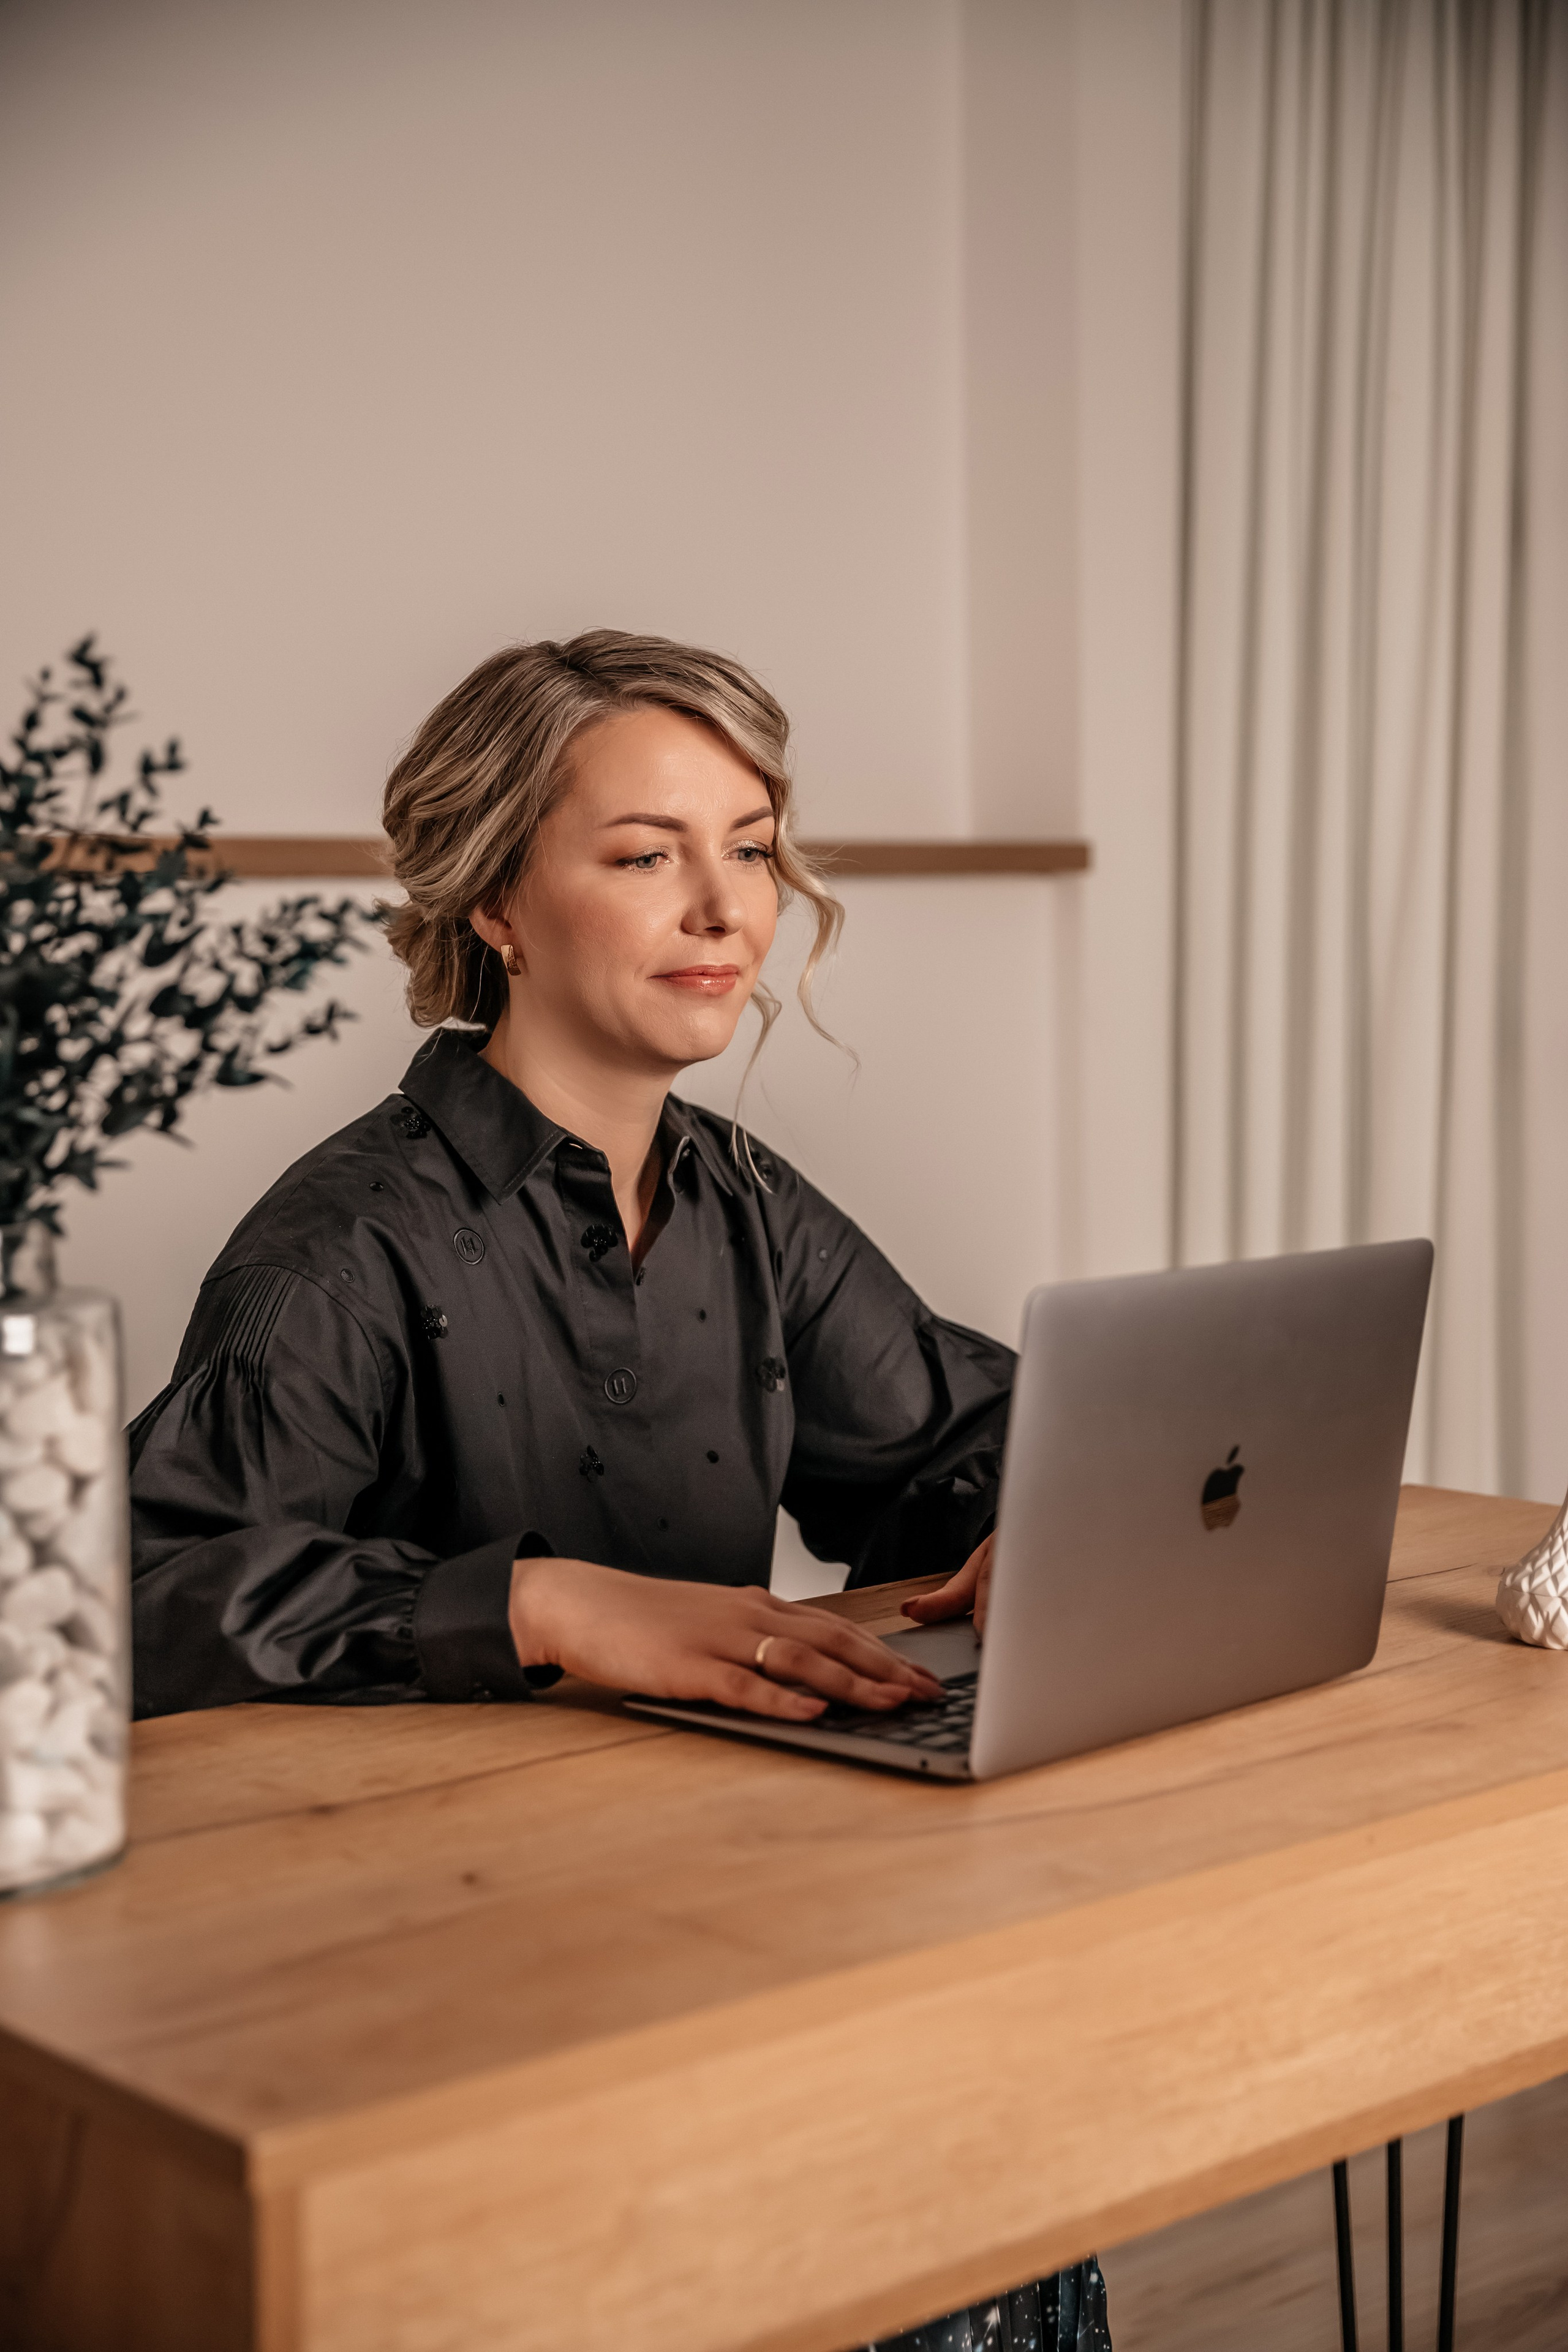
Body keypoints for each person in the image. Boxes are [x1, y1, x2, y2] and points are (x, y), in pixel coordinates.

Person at [128, 630, 1110, 2352]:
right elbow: (135, 1603)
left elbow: (961, 1432)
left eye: (750, 847)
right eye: (648, 855)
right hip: (425, 1997)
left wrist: (1029, 1516)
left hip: (717, 1901)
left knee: (1022, 2140)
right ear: (496, 902)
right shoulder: (341, 1247)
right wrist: (537, 1603)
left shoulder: (744, 1202)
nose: (726, 910)